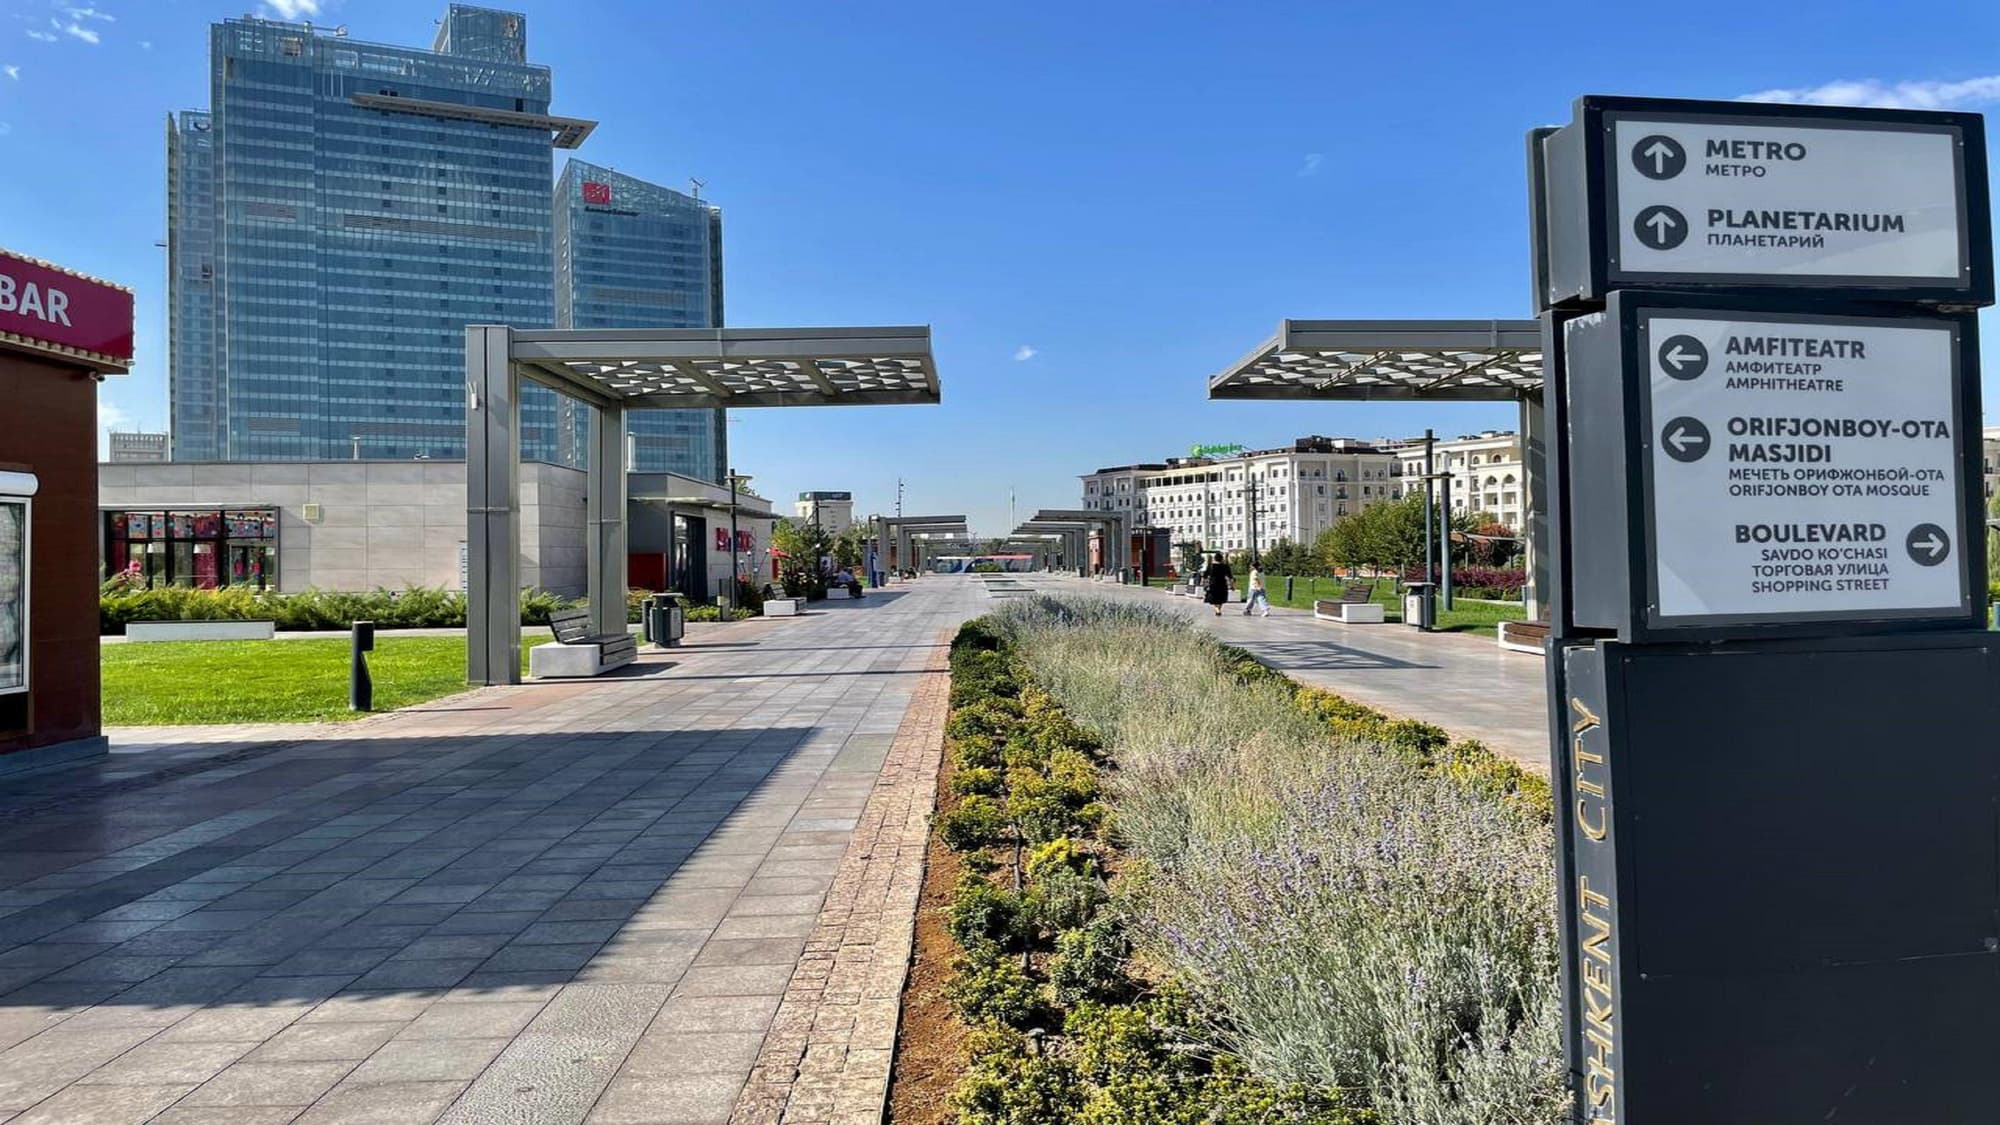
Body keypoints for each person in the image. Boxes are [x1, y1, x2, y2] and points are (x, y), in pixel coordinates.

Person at [1201, 552, 1232, 617]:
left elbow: (1205, 576)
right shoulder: (1225, 566)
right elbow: (1230, 576)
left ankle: (1217, 609)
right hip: (1222, 584)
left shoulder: (1211, 566)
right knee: (1221, 598)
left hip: (1213, 584)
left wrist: (1203, 584)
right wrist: (1232, 585)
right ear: (1221, 559)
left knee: (1214, 598)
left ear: (1215, 559)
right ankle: (1218, 609)